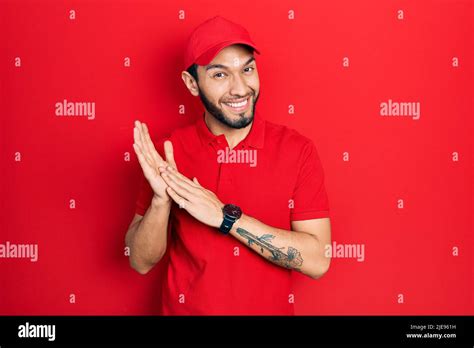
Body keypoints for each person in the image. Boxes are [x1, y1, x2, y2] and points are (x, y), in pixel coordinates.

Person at [125, 15, 331, 315]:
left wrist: (226, 218)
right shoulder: (168, 152)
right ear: (192, 83)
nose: (240, 89)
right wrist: (160, 201)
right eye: (220, 75)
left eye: (247, 69)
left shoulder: (298, 150)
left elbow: (318, 261)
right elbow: (140, 262)